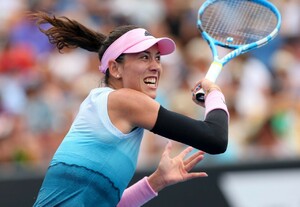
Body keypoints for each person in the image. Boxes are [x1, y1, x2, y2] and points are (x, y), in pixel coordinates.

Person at [31, 11, 229, 206]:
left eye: (157, 58)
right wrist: (214, 94)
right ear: (115, 69)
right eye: (144, 57)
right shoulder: (124, 101)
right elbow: (215, 139)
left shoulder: (109, 105)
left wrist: (156, 182)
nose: (155, 66)